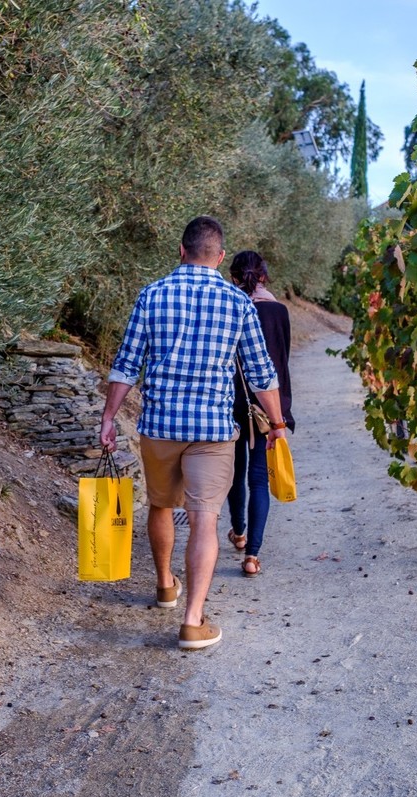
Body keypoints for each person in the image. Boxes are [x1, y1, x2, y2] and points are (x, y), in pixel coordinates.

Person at [99, 216, 289, 650]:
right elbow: (262, 374)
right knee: (205, 519)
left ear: (181, 251)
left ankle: (166, 585)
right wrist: (276, 424)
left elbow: (127, 363)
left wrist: (109, 417)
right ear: (220, 258)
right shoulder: (238, 303)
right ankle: (192, 621)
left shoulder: (152, 295)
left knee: (162, 505)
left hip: (160, 426)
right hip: (213, 429)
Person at [225, 251, 293, 577]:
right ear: (264, 276)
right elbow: (281, 361)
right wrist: (281, 413)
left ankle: (238, 532)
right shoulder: (279, 311)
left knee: (235, 473)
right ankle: (252, 556)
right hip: (266, 407)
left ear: (233, 277)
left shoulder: (228, 309)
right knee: (259, 480)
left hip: (231, 403)